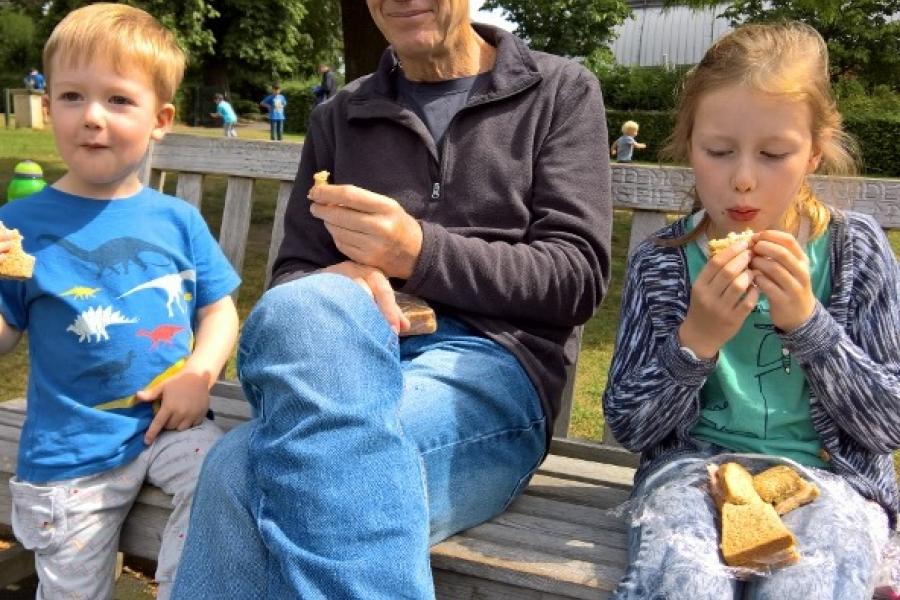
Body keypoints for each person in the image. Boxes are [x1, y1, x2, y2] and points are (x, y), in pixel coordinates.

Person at [172, 1, 612, 597]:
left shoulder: (557, 91)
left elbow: (576, 277)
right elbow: (294, 273)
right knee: (304, 313)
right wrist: (342, 278)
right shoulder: (341, 113)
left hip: (488, 371)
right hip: (340, 362)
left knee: (238, 472)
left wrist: (417, 253)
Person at [603, 22, 900, 599]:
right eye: (718, 151)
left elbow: (886, 424)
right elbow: (629, 425)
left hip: (833, 480)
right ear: (689, 145)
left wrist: (811, 327)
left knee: (810, 583)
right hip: (688, 475)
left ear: (814, 151)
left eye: (773, 154)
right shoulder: (662, 265)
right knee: (686, 580)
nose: (742, 178)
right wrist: (696, 340)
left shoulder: (856, 253)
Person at [0, 5, 241, 599]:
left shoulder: (177, 221)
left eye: (119, 101)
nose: (93, 118)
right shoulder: (20, 227)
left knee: (230, 475)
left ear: (159, 119)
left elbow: (219, 309)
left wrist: (199, 375)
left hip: (170, 424)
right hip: (72, 450)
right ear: (49, 108)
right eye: (74, 97)